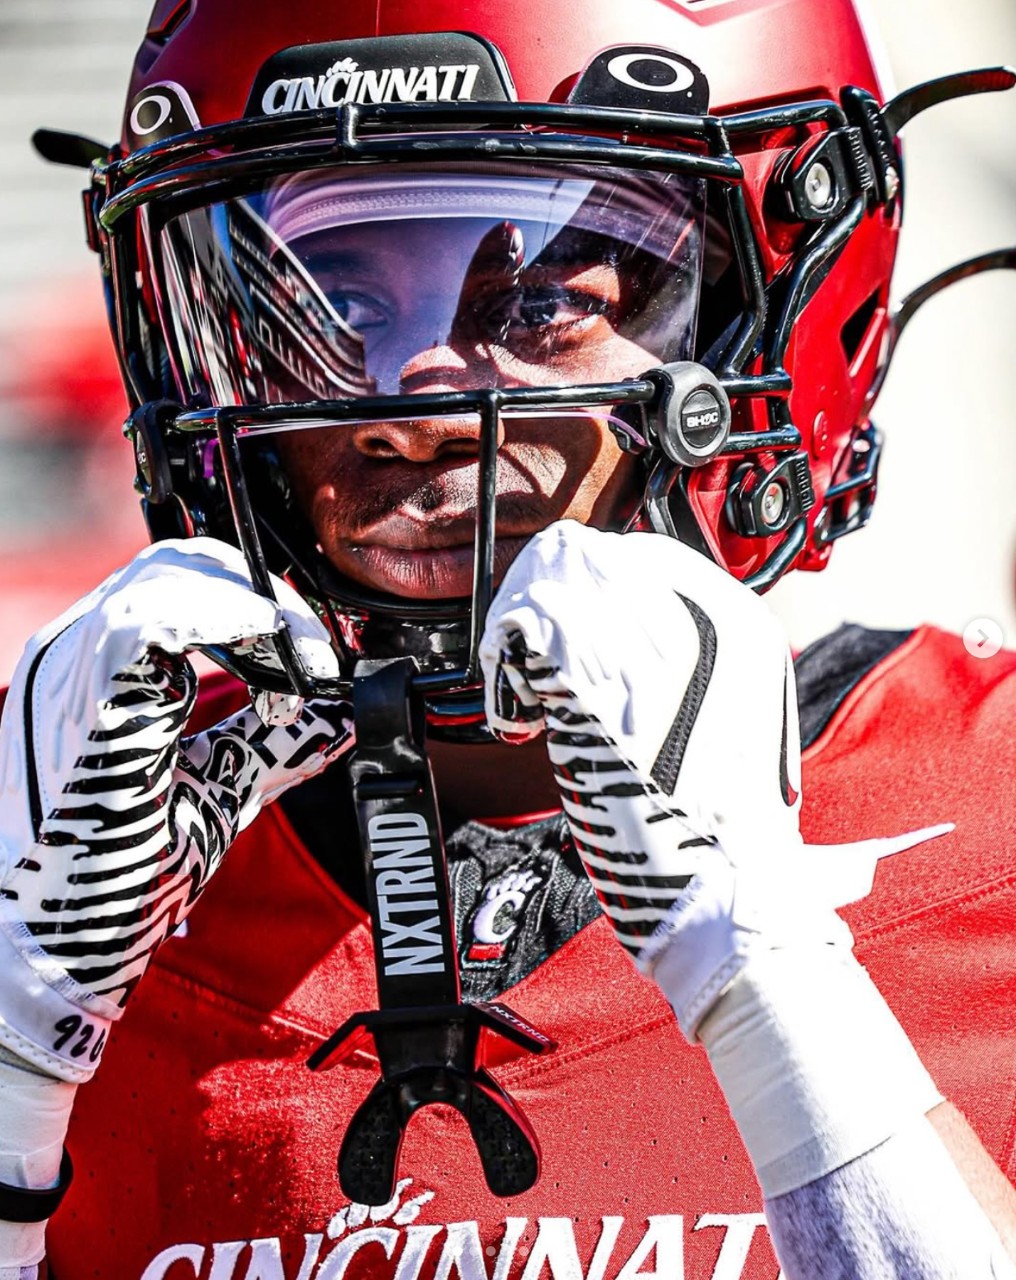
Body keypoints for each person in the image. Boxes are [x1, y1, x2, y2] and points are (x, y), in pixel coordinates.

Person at [1, 1, 1015, 1277]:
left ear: (786, 316)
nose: (410, 403)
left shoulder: (990, 793)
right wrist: (14, 1061)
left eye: (539, 298)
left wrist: (774, 982)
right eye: (320, 298)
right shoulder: (52, 845)